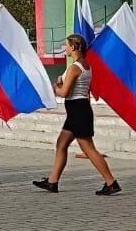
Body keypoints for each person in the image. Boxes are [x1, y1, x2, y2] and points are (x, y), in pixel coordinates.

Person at [33, 35, 121, 195]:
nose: (65, 48)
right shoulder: (84, 65)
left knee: (88, 148)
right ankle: (52, 181)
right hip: (77, 110)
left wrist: (54, 88)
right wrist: (62, 81)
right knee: (61, 143)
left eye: (66, 45)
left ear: (74, 47)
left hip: (78, 110)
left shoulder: (75, 67)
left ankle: (111, 182)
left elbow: (64, 93)